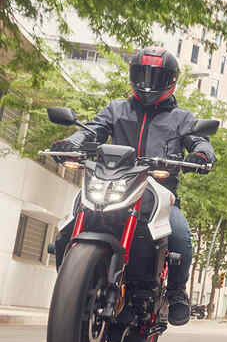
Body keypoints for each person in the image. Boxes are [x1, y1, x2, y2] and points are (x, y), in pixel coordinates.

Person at [50, 46, 216, 326]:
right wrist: (71, 144)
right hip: (113, 183)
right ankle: (72, 288)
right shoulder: (117, 109)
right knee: (68, 225)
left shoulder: (182, 118)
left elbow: (199, 141)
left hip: (157, 191)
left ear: (171, 81)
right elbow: (93, 129)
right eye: (142, 74)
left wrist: (201, 155)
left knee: (180, 234)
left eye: (156, 76)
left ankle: (176, 293)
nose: (148, 82)